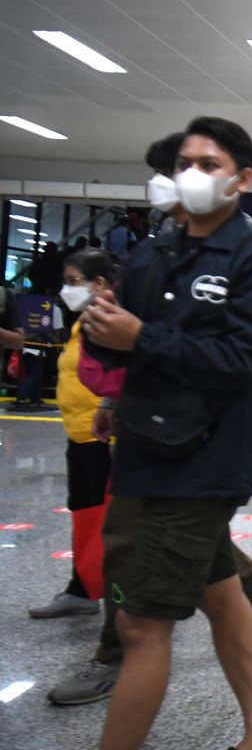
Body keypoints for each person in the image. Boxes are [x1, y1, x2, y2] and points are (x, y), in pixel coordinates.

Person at [45, 133, 252, 708]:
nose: (183, 179)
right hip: (148, 438)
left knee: (142, 618)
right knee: (211, 580)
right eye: (179, 168)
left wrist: (139, 340)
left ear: (241, 179)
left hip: (201, 449)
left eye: (204, 166)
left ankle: (113, 655)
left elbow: (233, 357)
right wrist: (116, 394)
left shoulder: (251, 262)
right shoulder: (157, 254)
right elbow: (134, 351)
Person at [27, 249, 116, 620]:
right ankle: (83, 589)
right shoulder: (84, 321)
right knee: (85, 515)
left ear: (100, 283)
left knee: (111, 522)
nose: (67, 288)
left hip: (107, 440)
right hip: (79, 435)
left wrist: (110, 407)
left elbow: (126, 373)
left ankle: (126, 600)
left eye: (74, 281)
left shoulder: (112, 321)